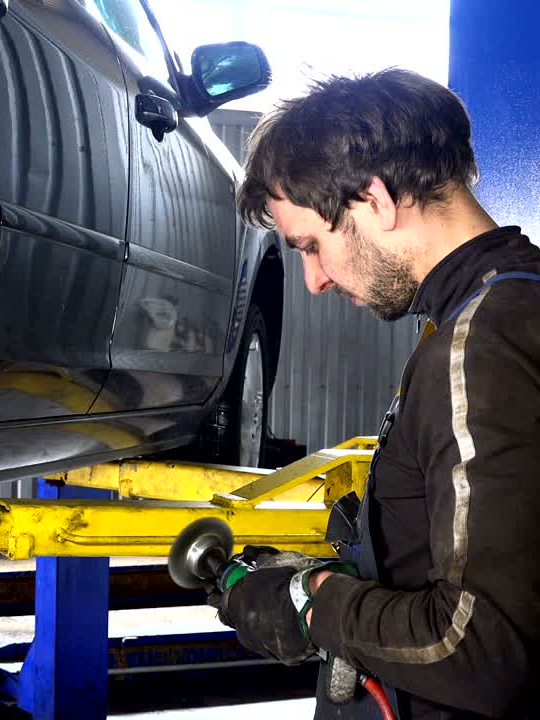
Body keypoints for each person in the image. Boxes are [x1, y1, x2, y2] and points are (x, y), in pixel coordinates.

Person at [218, 67, 540, 719]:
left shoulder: (481, 346)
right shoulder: (507, 312)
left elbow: (481, 650)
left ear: (376, 199)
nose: (313, 280)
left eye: (312, 245)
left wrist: (315, 605)